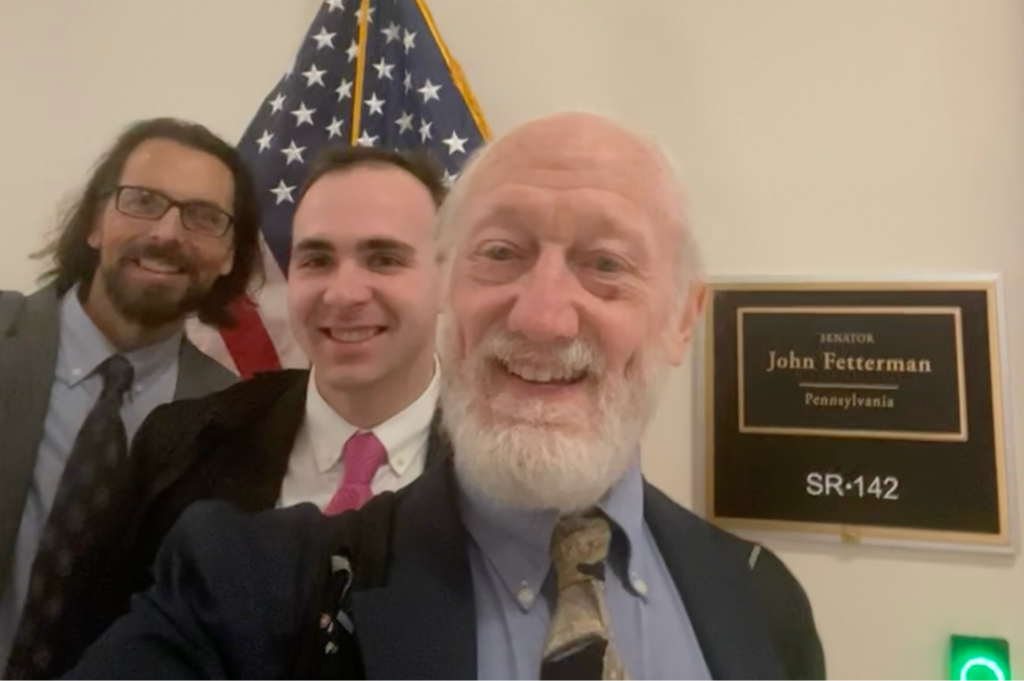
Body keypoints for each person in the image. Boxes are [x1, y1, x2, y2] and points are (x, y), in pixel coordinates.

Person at [60, 112, 826, 681]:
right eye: (500, 253)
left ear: (683, 321)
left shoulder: (765, 602)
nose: (542, 314)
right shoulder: (245, 571)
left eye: (607, 263)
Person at [8, 145, 450, 681]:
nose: (344, 292)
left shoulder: (501, 478)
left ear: (448, 275)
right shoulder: (183, 444)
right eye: (316, 259)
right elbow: (93, 639)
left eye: (384, 258)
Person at [0, 117, 264, 678]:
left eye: (204, 217)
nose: (168, 232)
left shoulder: (238, 423)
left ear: (227, 257)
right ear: (96, 222)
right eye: (143, 200)